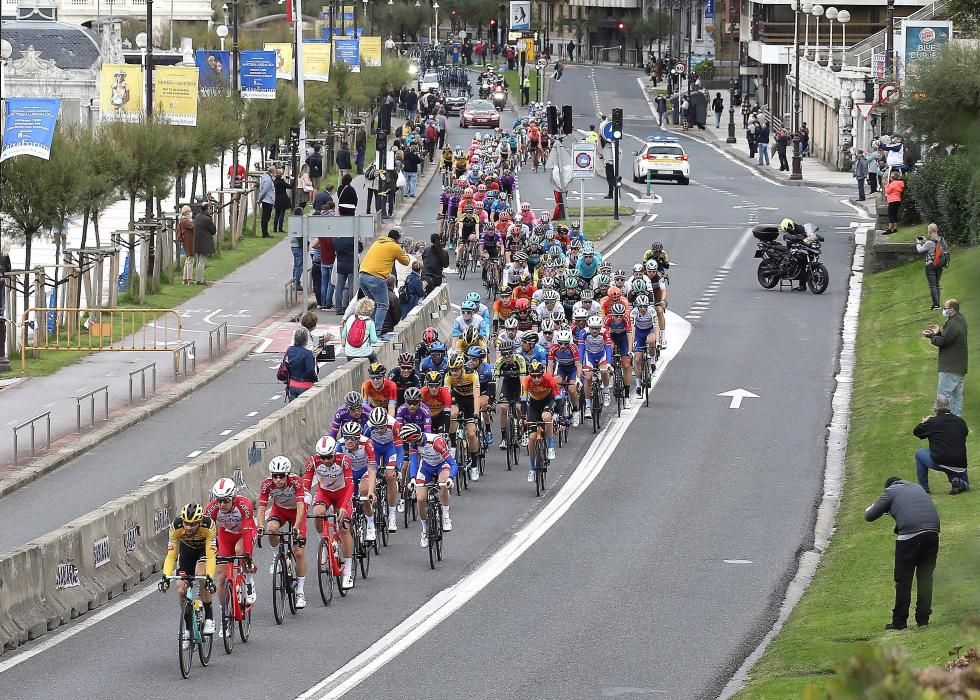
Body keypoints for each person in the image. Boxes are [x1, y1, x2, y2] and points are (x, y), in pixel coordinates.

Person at [864, 477, 941, 630]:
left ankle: (899, 621)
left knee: (903, 580)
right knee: (925, 577)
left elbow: (869, 516)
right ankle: (923, 620)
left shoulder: (890, 491)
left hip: (910, 537)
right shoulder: (917, 488)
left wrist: (876, 506)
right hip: (933, 533)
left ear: (889, 485)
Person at [158, 503, 218, 641]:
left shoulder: (208, 525)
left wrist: (209, 577)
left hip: (204, 550)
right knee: (180, 588)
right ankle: (187, 628)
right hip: (187, 551)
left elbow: (211, 556)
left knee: (201, 574)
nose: (189, 527)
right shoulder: (176, 526)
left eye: (193, 524)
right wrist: (165, 577)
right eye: (187, 524)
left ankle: (209, 617)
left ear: (200, 522)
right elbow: (171, 556)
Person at [257, 456, 308, 608]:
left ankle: (300, 591)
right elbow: (261, 508)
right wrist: (260, 525)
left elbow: (300, 506)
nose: (278, 479)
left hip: (296, 512)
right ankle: (275, 556)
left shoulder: (296, 481)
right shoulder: (267, 484)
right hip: (279, 511)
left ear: (287, 475)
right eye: (275, 476)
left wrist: (297, 526)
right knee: (271, 529)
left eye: (281, 476)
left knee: (298, 551)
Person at [205, 478, 257, 608]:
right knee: (222, 577)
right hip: (226, 535)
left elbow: (246, 533)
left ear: (233, 498)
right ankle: (225, 614)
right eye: (219, 500)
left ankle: (249, 581)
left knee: (240, 551)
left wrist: (248, 557)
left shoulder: (244, 505)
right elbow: (208, 534)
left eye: (226, 500)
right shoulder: (211, 509)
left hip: (245, 532)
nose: (221, 504)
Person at [913, 394, 970, 495]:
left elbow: (917, 432)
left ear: (935, 408)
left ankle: (923, 489)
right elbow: (964, 434)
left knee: (919, 453)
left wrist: (924, 422)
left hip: (940, 460)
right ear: (949, 406)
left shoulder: (932, 422)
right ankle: (959, 483)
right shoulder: (960, 421)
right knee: (965, 484)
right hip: (960, 463)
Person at [922, 299, 967, 417]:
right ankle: (956, 425)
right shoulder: (960, 321)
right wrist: (938, 333)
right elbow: (948, 338)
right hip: (959, 368)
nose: (944, 310)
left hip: (949, 368)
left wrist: (932, 336)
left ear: (951, 309)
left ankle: (942, 425)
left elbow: (944, 342)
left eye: (945, 308)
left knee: (942, 398)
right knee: (956, 399)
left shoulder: (954, 323)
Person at [360, 229, 410, 330]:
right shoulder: (395, 247)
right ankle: (377, 332)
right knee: (383, 305)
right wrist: (402, 249)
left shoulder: (377, 242)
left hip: (362, 276)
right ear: (397, 239)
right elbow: (406, 261)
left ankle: (369, 330)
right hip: (376, 278)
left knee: (372, 305)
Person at [915, 223, 948, 310]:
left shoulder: (929, 243)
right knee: (937, 284)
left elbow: (920, 250)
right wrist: (925, 242)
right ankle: (938, 304)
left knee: (932, 285)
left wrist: (918, 243)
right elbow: (942, 248)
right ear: (937, 230)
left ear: (929, 231)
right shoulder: (942, 240)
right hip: (940, 265)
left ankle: (936, 305)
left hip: (930, 266)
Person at [284, 327, 317, 401]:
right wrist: (315, 379)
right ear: (305, 340)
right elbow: (310, 370)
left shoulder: (290, 350)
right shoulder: (307, 353)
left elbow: (286, 365)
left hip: (292, 384)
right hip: (305, 385)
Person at [333, 235, 361, 312]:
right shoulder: (352, 239)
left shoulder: (336, 240)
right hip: (352, 265)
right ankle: (352, 308)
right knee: (352, 287)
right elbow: (359, 249)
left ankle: (338, 308)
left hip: (340, 265)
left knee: (339, 288)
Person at [192, 202, 216, 285]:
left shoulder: (197, 217)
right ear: (207, 209)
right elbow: (213, 230)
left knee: (199, 261)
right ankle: (200, 280)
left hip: (197, 242)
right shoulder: (207, 219)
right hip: (204, 243)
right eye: (209, 208)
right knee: (202, 262)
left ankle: (198, 278)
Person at [176, 205, 195, 285]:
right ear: (186, 213)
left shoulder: (182, 221)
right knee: (190, 259)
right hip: (189, 241)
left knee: (188, 260)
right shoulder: (186, 221)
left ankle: (185, 278)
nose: (190, 213)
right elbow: (194, 227)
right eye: (189, 212)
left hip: (186, 241)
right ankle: (189, 278)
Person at [258, 165, 276, 237]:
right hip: (267, 200)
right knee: (266, 217)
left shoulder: (266, 178)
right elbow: (265, 190)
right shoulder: (268, 180)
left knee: (266, 217)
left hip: (267, 200)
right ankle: (265, 233)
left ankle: (265, 232)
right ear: (273, 172)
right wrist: (260, 199)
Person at [273, 168, 291, 233]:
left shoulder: (274, 182)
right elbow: (290, 186)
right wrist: (290, 179)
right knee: (282, 214)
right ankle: (280, 228)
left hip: (276, 198)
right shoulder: (282, 182)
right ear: (281, 175)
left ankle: (275, 228)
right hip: (283, 199)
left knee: (276, 214)